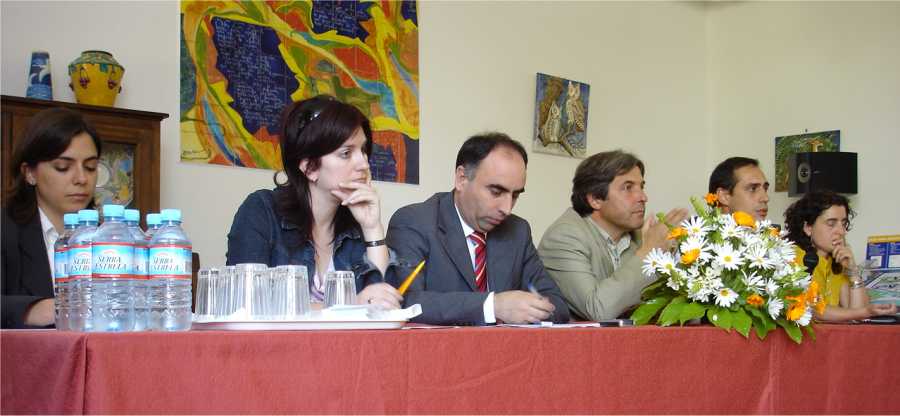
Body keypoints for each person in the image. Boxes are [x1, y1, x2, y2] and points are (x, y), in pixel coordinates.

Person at [226, 95, 401, 309]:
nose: (363, 164)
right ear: (310, 168)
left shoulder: (356, 227)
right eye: (346, 153)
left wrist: (372, 228)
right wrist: (349, 306)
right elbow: (246, 302)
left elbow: (385, 306)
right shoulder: (262, 210)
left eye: (363, 150)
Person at [386, 133, 569, 325]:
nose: (507, 209)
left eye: (515, 195)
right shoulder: (414, 222)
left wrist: (531, 309)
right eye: (496, 192)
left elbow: (557, 305)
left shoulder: (517, 231)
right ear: (462, 179)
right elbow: (405, 302)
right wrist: (493, 306)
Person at [538, 150, 689, 321]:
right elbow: (597, 309)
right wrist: (649, 253)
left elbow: (675, 310)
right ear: (595, 199)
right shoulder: (564, 236)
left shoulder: (641, 236)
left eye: (641, 187)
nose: (643, 197)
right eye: (628, 188)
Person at [2, 107, 101, 328]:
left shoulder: (108, 237)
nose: (81, 179)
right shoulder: (5, 230)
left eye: (91, 167)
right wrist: (34, 309)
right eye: (63, 167)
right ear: (30, 173)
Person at [784, 190, 897, 321]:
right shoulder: (791, 256)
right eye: (831, 224)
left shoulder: (836, 260)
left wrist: (853, 271)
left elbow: (857, 315)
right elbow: (812, 309)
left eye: (843, 224)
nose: (841, 231)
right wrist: (865, 312)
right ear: (808, 228)